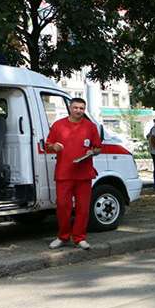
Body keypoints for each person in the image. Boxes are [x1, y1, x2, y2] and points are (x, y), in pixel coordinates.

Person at [46, 97, 102, 250]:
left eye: (82, 108)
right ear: (70, 108)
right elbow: (47, 145)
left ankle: (79, 238)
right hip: (64, 173)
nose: (78, 110)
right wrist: (54, 147)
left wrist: (92, 151)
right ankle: (63, 236)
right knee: (63, 206)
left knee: (83, 208)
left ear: (84, 110)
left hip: (84, 174)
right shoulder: (58, 125)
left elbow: (98, 148)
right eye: (76, 107)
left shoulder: (90, 127)